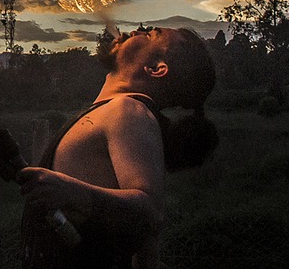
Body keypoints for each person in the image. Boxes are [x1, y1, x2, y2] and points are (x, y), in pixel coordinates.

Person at [17, 27, 218, 268]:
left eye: (151, 34)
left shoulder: (128, 111)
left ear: (156, 69)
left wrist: (68, 191)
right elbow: (145, 255)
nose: (137, 29)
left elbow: (150, 212)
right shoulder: (114, 110)